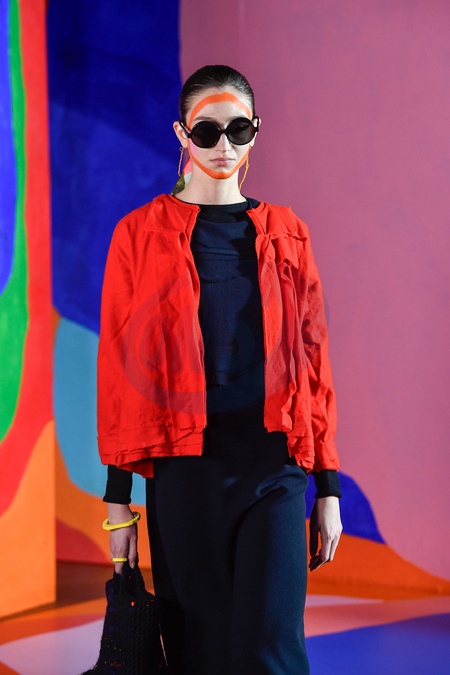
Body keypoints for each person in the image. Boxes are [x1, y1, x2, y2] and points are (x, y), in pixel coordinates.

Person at [98, 64, 343, 675]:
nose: (224, 145)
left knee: (272, 652)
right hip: (183, 472)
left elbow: (314, 362)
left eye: (239, 129)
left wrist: (329, 487)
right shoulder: (138, 234)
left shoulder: (288, 233)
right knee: (198, 653)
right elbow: (121, 374)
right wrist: (118, 502)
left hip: (273, 466)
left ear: (257, 130)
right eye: (207, 131)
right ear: (182, 134)